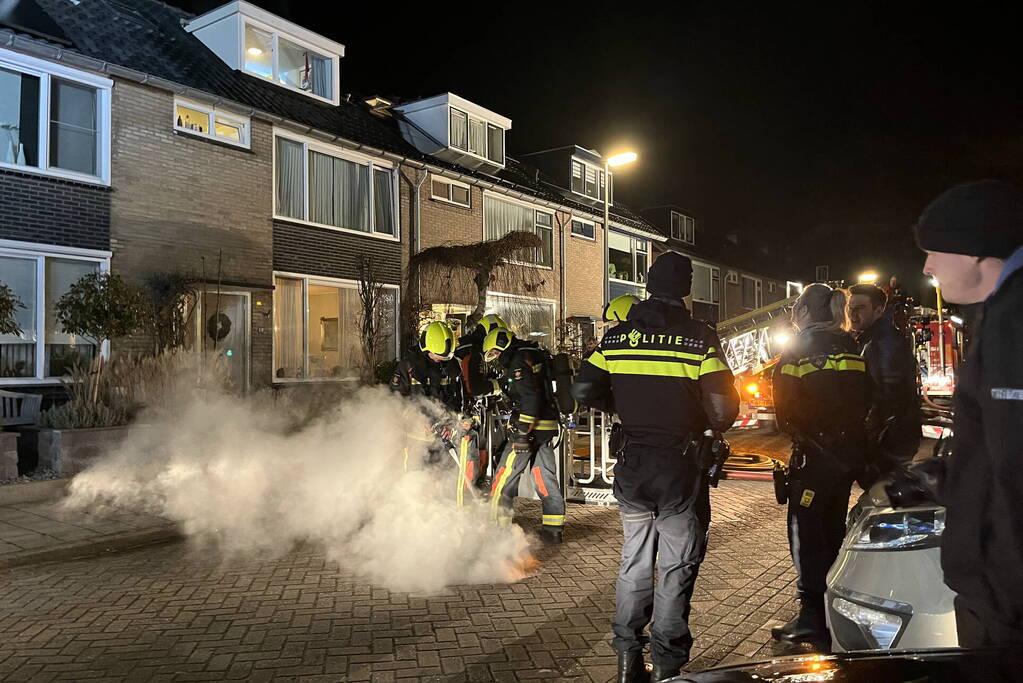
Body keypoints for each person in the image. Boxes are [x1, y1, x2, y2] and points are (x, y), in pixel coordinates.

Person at [571, 252, 739, 683]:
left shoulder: (616, 338)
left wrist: (623, 407)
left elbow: (585, 388)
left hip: (632, 466)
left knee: (635, 561)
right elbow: (722, 411)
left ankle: (628, 658)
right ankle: (667, 664)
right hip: (679, 470)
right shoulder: (700, 339)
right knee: (678, 563)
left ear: (646, 284)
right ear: (685, 289)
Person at [887, 179, 1023, 647]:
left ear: (977, 252)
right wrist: (954, 477)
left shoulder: (1014, 323)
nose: (927, 266)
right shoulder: (1004, 312)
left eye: (936, 250)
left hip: (1006, 603)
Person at [771, 283, 870, 646]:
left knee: (806, 536)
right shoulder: (852, 346)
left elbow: (786, 412)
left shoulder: (797, 350)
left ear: (807, 312)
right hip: (845, 458)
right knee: (833, 531)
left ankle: (812, 617)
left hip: (813, 458)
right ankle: (833, 611)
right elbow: (866, 400)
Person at [482, 327, 566, 545]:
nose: (495, 359)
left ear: (502, 346)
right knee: (544, 476)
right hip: (546, 428)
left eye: (495, 353)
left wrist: (521, 434)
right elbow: (522, 387)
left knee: (504, 478)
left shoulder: (518, 361)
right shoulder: (533, 354)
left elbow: (529, 397)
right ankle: (553, 528)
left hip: (528, 431)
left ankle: (497, 530)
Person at [847, 283, 921, 474]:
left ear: (879, 310)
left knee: (882, 495)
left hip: (888, 441)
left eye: (860, 308)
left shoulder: (883, 342)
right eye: (850, 308)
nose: (852, 314)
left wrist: (870, 436)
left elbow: (890, 397)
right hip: (890, 437)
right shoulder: (874, 338)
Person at [390, 321, 464, 469]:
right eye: (438, 356)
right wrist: (420, 419)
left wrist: (450, 424)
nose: (440, 360)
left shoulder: (449, 366)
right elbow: (396, 401)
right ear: (426, 348)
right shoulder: (409, 367)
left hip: (444, 439)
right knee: (416, 479)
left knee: (443, 478)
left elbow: (456, 400)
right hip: (416, 441)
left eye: (444, 358)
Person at [453, 314, 508, 491]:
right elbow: (474, 386)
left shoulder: (467, 346)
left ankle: (475, 490)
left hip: (474, 411)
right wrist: (498, 386)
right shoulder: (473, 351)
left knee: (477, 455)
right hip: (469, 413)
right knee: (471, 458)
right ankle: (469, 494)